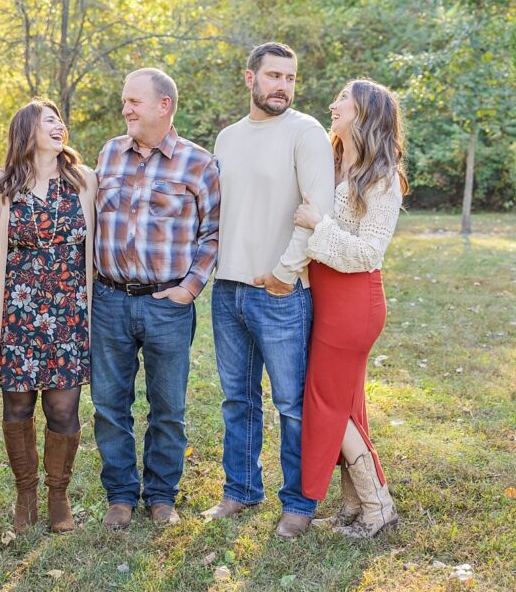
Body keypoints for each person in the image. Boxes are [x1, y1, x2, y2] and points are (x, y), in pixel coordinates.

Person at [201, 42, 334, 539]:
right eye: (274, 76)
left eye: (290, 78)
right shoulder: (227, 138)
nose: (283, 86)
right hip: (228, 289)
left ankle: (298, 501)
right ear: (249, 79)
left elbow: (316, 211)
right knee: (237, 400)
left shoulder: (306, 132)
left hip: (281, 293)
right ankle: (240, 490)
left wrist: (284, 271)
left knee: (290, 403)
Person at [91, 68, 220, 530]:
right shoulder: (109, 154)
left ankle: (162, 496)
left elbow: (213, 232)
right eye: (124, 101)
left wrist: (189, 288)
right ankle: (121, 496)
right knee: (109, 404)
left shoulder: (198, 163)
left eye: (133, 102)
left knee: (168, 407)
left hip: (168, 305)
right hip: (109, 299)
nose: (125, 109)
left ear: (164, 106)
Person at [293, 78, 407, 538]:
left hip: (354, 302)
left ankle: (379, 507)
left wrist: (318, 226)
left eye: (343, 99)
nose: (333, 105)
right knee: (346, 402)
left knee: (327, 402)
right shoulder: (333, 161)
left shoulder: (382, 180)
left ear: (366, 114)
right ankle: (354, 506)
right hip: (324, 296)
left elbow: (367, 253)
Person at [0, 99, 98, 534]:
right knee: (18, 404)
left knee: (64, 407)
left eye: (61, 121)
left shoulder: (85, 181)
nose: (59, 127)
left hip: (69, 312)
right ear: (26, 130)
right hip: (17, 314)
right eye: (49, 120)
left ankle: (58, 494)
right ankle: (25, 493)